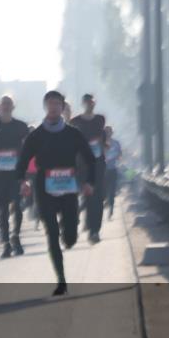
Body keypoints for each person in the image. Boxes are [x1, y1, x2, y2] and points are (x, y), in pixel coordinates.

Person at [17, 91, 96, 296]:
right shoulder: (36, 135)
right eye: (50, 103)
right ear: (45, 107)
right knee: (51, 234)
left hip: (69, 187)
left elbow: (90, 158)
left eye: (57, 104)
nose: (53, 107)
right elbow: (22, 162)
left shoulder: (73, 133)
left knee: (70, 237)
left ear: (62, 107)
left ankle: (69, 232)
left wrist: (89, 182)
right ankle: (61, 280)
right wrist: (23, 181)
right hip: (45, 188)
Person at [0, 96, 29, 258]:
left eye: (8, 104)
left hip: (16, 173)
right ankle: (6, 243)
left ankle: (15, 237)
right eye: (3, 105)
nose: (6, 107)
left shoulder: (20, 126)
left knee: (17, 206)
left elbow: (28, 147)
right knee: (2, 209)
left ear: (12, 107)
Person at [69, 94, 107, 243]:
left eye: (92, 102)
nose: (90, 104)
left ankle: (95, 230)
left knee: (98, 198)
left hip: (98, 164)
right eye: (88, 102)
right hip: (83, 166)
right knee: (88, 196)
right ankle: (91, 229)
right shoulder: (75, 122)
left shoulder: (100, 119)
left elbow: (102, 139)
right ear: (83, 103)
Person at [103, 126, 122, 219]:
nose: (108, 133)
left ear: (112, 133)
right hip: (103, 170)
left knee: (112, 190)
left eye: (109, 132)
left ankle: (111, 209)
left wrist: (114, 156)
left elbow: (120, 155)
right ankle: (106, 201)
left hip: (113, 169)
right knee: (105, 189)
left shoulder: (116, 143)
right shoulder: (101, 143)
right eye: (106, 132)